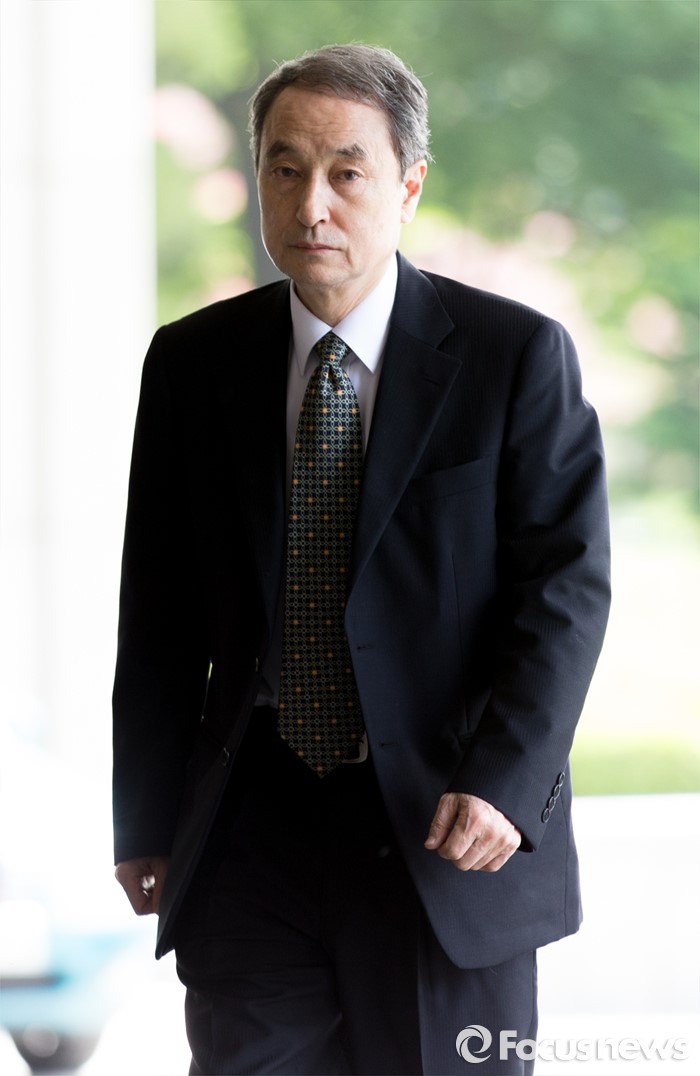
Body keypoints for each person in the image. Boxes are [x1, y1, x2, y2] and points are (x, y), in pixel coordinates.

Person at [113, 43, 610, 1076]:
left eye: (347, 172)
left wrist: (504, 781)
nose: (313, 205)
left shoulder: (514, 357)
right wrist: (146, 816)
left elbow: (563, 594)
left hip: (444, 826)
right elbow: (157, 611)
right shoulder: (193, 363)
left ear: (409, 186)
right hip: (251, 831)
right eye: (285, 169)